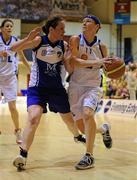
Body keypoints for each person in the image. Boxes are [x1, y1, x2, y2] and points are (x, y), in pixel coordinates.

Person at [7, 16, 85, 170]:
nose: (64, 31)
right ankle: (23, 154)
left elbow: (70, 71)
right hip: (38, 89)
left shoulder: (63, 46)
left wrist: (69, 60)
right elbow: (12, 49)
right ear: (52, 29)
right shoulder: (38, 41)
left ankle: (77, 136)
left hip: (57, 89)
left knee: (69, 120)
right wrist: (27, 39)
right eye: (61, 28)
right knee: (34, 118)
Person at [65, 15, 113, 170]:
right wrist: (98, 62)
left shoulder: (102, 47)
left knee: (88, 114)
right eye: (83, 21)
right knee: (82, 128)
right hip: (75, 86)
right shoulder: (75, 40)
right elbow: (74, 62)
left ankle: (89, 156)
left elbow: (108, 68)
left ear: (97, 26)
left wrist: (115, 67)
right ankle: (103, 129)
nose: (84, 23)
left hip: (93, 86)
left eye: (88, 21)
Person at [0, 19, 31, 143]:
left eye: (11, 26)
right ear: (1, 28)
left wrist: (31, 70)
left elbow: (22, 58)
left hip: (10, 78)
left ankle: (17, 130)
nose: (9, 28)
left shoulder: (15, 41)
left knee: (12, 107)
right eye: (7, 26)